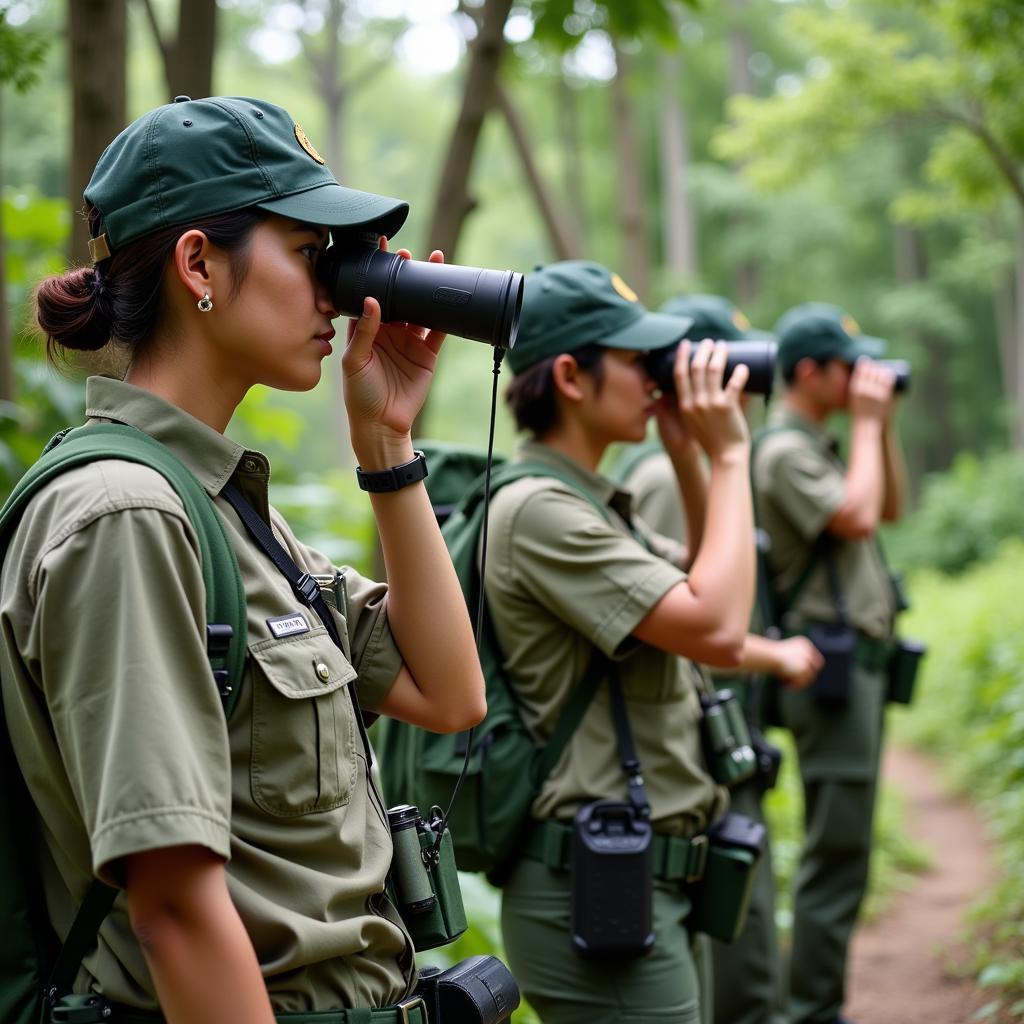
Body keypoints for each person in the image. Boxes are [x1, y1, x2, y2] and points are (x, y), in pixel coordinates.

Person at [1, 96, 486, 1024]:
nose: (338, 292)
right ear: (198, 264)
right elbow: (175, 911)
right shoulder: (127, 517)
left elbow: (450, 693)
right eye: (311, 255)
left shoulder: (221, 511)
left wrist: (387, 445)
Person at [484, 261, 756, 1024]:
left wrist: (687, 457)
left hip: (634, 877)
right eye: (639, 361)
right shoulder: (540, 512)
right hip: (595, 885)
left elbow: (709, 594)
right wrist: (731, 456)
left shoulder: (593, 506)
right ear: (572, 375)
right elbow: (723, 630)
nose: (656, 380)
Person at [619, 293, 823, 1024]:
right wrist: (775, 657)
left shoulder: (693, 467)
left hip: (718, 742)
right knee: (742, 966)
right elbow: (706, 628)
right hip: (696, 750)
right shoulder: (666, 482)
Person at [751, 303, 906, 1024]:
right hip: (828, 670)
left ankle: (814, 1003)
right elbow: (856, 518)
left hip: (858, 664)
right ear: (809, 373)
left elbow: (890, 505)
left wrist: (881, 428)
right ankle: (813, 1010)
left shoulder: (817, 444)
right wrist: (869, 427)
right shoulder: (783, 451)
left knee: (846, 845)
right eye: (849, 368)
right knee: (837, 849)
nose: (862, 380)